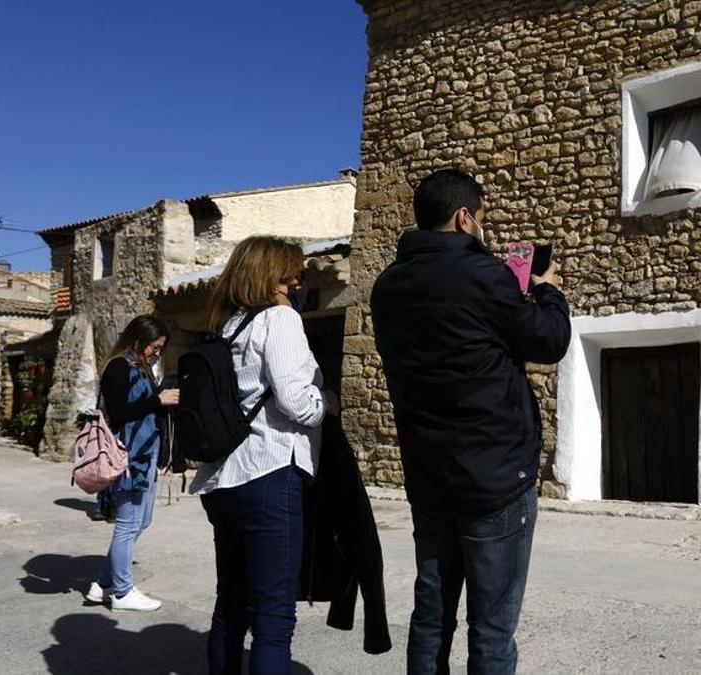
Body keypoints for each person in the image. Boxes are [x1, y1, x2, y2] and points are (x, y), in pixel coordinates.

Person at [371, 169, 571, 674]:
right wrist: (547, 291)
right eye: (482, 219)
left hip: (430, 478)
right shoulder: (485, 276)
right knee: (492, 631)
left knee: (432, 617)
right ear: (465, 218)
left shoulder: (387, 287)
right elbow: (547, 341)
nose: (484, 228)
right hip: (495, 479)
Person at [189, 236, 338, 673]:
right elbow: (296, 403)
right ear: (274, 280)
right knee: (273, 621)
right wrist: (326, 402)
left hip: (224, 479)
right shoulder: (280, 320)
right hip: (270, 473)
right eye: (295, 277)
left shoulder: (229, 326)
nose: (298, 285)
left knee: (230, 609)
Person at [85, 315, 179, 611]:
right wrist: (157, 400)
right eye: (155, 346)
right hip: (128, 457)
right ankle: (123, 592)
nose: (157, 353)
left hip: (145, 456)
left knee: (142, 521)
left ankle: (103, 584)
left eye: (161, 348)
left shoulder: (139, 367)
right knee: (128, 524)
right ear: (138, 341)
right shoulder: (118, 367)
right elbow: (121, 411)